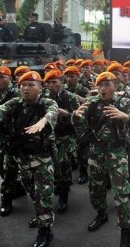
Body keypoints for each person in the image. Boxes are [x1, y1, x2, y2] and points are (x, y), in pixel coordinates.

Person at [72, 72, 130, 247]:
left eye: (107, 84)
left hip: (116, 151)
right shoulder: (92, 104)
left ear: (115, 86)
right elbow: (80, 125)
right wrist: (75, 116)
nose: (103, 88)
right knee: (95, 188)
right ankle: (101, 213)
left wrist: (125, 116)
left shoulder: (124, 102)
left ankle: (125, 231)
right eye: (100, 85)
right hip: (96, 152)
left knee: (120, 193)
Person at [0, 71, 58, 247]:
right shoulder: (14, 103)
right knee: (31, 191)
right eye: (23, 85)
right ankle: (41, 216)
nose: (26, 88)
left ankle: (45, 231)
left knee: (43, 195)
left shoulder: (46, 102)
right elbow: (0, 110)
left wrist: (43, 121)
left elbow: (53, 112)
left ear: (40, 87)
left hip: (42, 159)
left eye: (31, 85)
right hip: (22, 158)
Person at [43, 69, 80, 214]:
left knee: (64, 165)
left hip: (65, 137)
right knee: (50, 166)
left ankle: (63, 196)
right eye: (48, 83)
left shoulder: (70, 97)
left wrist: (67, 114)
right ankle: (58, 186)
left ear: (62, 82)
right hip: (50, 138)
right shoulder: (43, 98)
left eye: (54, 82)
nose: (51, 85)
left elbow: (79, 119)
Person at [0, 66, 26, 217]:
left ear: (11, 79)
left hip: (15, 138)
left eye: (2, 77)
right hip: (0, 138)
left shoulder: (17, 94)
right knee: (1, 167)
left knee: (10, 168)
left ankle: (7, 198)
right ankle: (17, 188)